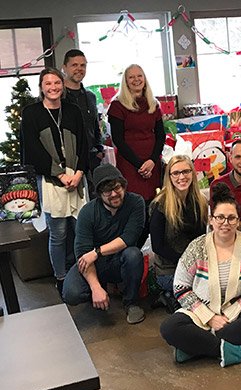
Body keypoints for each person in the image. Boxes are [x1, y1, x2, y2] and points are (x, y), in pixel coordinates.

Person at [160, 183, 241, 367]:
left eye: (231, 218)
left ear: (238, 220)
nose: (225, 223)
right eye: (220, 217)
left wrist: (233, 311)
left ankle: (195, 347)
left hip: (238, 313)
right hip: (201, 312)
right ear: (211, 220)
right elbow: (181, 287)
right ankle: (239, 352)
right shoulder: (197, 247)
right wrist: (210, 318)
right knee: (169, 328)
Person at [21, 67, 88, 295]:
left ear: (62, 84)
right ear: (41, 87)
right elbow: (32, 150)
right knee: (58, 234)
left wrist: (78, 173)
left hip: (77, 179)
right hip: (51, 180)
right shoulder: (31, 113)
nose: (53, 88)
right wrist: (60, 174)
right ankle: (61, 277)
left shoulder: (73, 111)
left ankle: (84, 275)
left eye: (57, 83)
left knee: (81, 231)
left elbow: (84, 145)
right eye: (48, 84)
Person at [61, 164, 146, 324]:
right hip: (96, 263)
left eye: (117, 188)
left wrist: (97, 252)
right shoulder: (88, 212)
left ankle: (131, 302)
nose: (114, 194)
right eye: (108, 191)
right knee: (71, 293)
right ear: (99, 193)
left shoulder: (136, 202)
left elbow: (129, 237)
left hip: (121, 258)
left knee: (134, 254)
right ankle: (99, 293)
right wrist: (95, 287)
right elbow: (83, 254)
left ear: (123, 186)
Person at [150, 155, 208, 313]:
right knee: (202, 289)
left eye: (186, 171)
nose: (181, 177)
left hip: (194, 264)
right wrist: (188, 263)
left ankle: (176, 295)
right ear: (169, 177)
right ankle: (168, 294)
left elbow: (201, 239)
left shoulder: (200, 201)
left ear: (193, 173)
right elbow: (157, 246)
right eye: (175, 173)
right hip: (169, 268)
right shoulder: (160, 205)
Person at [108, 64, 165, 208]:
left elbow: (160, 135)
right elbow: (118, 140)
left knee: (154, 204)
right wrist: (140, 165)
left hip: (152, 163)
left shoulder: (153, 104)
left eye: (139, 76)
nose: (136, 80)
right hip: (130, 163)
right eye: (131, 77)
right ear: (125, 81)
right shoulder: (117, 105)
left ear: (145, 79)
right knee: (134, 205)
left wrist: (152, 161)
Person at [61, 49, 103, 199]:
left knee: (95, 205)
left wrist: (99, 148)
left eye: (83, 65)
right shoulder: (59, 97)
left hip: (92, 160)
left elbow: (95, 125)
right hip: (69, 162)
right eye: (74, 65)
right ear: (64, 67)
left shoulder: (90, 97)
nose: (79, 69)